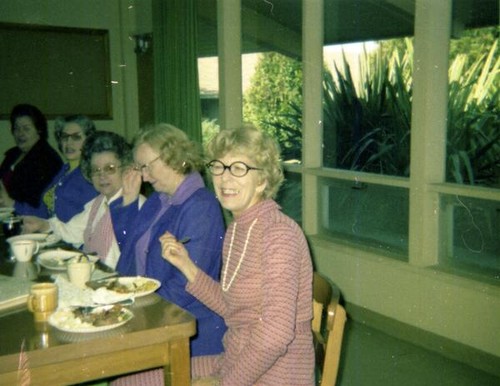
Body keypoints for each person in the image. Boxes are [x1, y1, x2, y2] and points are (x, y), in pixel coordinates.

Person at [160, 124, 315, 386]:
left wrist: (222, 384)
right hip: (235, 360)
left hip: (276, 376)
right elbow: (235, 309)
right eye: (218, 167)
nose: (225, 179)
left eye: (239, 169)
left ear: (263, 180)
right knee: (132, 380)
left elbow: (275, 335)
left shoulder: (279, 234)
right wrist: (187, 265)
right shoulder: (237, 229)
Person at [110, 123, 226, 384]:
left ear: (174, 157)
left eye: (147, 166)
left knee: (117, 377)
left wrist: (131, 309)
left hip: (191, 332)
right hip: (157, 316)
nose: (144, 176)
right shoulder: (160, 199)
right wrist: (128, 203)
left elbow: (185, 286)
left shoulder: (201, 207)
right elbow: (129, 249)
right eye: (140, 167)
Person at [23, 131, 143, 269]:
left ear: (126, 168)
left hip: (115, 281)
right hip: (90, 276)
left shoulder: (137, 205)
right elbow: (72, 231)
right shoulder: (97, 203)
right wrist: (44, 225)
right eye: (95, 170)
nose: (101, 175)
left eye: (109, 168)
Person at [0, 104, 63, 216]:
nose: (20, 133)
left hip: (26, 219)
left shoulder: (48, 159)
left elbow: (37, 203)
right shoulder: (12, 154)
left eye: (26, 128)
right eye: (16, 128)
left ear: (39, 130)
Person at [39, 115, 99, 221]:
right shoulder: (64, 170)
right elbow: (43, 208)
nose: (68, 143)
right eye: (64, 137)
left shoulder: (91, 174)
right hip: (51, 232)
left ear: (89, 140)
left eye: (76, 137)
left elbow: (89, 218)